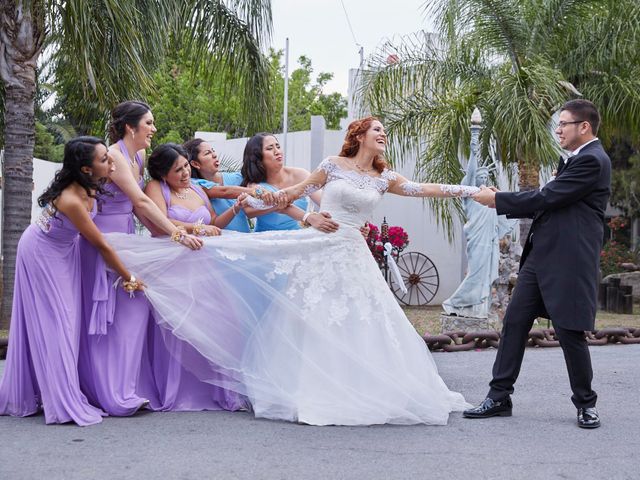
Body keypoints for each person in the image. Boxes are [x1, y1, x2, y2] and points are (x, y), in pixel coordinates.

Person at [106, 116, 479, 426]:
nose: (383, 135)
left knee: (363, 320)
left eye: (384, 132)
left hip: (352, 253)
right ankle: (313, 390)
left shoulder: (385, 177)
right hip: (319, 248)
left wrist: (468, 190)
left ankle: (369, 386)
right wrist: (272, 198)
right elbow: (292, 194)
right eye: (377, 130)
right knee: (309, 317)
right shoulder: (332, 166)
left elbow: (422, 188)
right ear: (360, 136)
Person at [466, 99, 611, 429]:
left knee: (569, 331)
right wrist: (500, 197)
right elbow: (549, 202)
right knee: (515, 322)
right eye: (558, 124)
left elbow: (547, 198)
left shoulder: (592, 160)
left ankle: (586, 404)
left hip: (569, 260)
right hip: (540, 258)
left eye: (564, 124)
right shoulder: (573, 159)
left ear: (584, 127)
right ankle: (499, 396)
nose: (557, 130)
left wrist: (498, 201)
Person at [0, 137, 144, 426]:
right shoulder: (71, 199)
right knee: (58, 324)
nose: (111, 162)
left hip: (64, 252)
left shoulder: (90, 187)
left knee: (67, 321)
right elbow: (102, 245)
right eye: (104, 159)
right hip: (41, 253)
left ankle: (50, 389)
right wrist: (129, 276)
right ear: (86, 169)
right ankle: (61, 400)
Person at [78, 101, 202, 417]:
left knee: (133, 314)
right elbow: (142, 202)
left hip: (128, 240)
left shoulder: (139, 156)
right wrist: (176, 234)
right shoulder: (115, 155)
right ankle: (111, 392)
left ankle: (130, 387)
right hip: (104, 242)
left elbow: (140, 211)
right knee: (111, 319)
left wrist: (169, 237)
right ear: (131, 127)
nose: (154, 129)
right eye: (149, 123)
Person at [441, 151, 516, 318]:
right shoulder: (470, 194)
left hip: (490, 242)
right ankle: (455, 303)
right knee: (475, 273)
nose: (482, 180)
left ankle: (478, 309)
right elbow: (470, 172)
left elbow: (502, 218)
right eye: (480, 177)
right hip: (477, 241)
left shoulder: (490, 199)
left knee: (486, 276)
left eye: (485, 177)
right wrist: (474, 143)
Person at [241, 133, 338, 233]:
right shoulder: (255, 185)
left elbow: (324, 201)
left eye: (278, 146)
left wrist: (323, 216)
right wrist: (277, 206)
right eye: (270, 148)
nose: (277, 151)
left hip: (298, 238)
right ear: (258, 156)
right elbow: (249, 212)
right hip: (266, 239)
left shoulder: (300, 174)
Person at [185, 139, 253, 232]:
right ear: (195, 164)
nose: (214, 155)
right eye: (207, 153)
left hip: (246, 241)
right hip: (219, 243)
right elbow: (225, 192)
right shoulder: (194, 184)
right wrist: (257, 192)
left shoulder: (237, 177)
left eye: (213, 151)